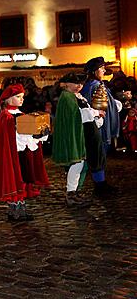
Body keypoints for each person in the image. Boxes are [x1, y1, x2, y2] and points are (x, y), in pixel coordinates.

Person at [0, 84, 49, 221]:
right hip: (13, 155)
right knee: (15, 180)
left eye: (22, 97)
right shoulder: (5, 116)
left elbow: (28, 135)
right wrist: (29, 135)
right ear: (8, 99)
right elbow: (12, 136)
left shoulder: (22, 115)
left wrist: (39, 135)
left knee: (23, 179)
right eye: (18, 97)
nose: (21, 99)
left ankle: (20, 209)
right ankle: (15, 210)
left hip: (24, 153)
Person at [52, 73, 97, 207]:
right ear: (67, 84)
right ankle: (71, 194)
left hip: (76, 133)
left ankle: (74, 192)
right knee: (76, 163)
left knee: (79, 164)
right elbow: (76, 115)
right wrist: (94, 113)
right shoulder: (67, 97)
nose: (79, 86)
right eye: (76, 83)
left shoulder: (71, 96)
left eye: (81, 84)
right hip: (71, 134)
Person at [80, 57, 119, 196]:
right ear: (95, 71)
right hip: (98, 125)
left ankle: (101, 183)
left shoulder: (97, 84)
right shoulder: (94, 85)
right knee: (98, 153)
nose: (103, 70)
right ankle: (99, 185)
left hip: (102, 123)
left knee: (101, 154)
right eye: (101, 68)